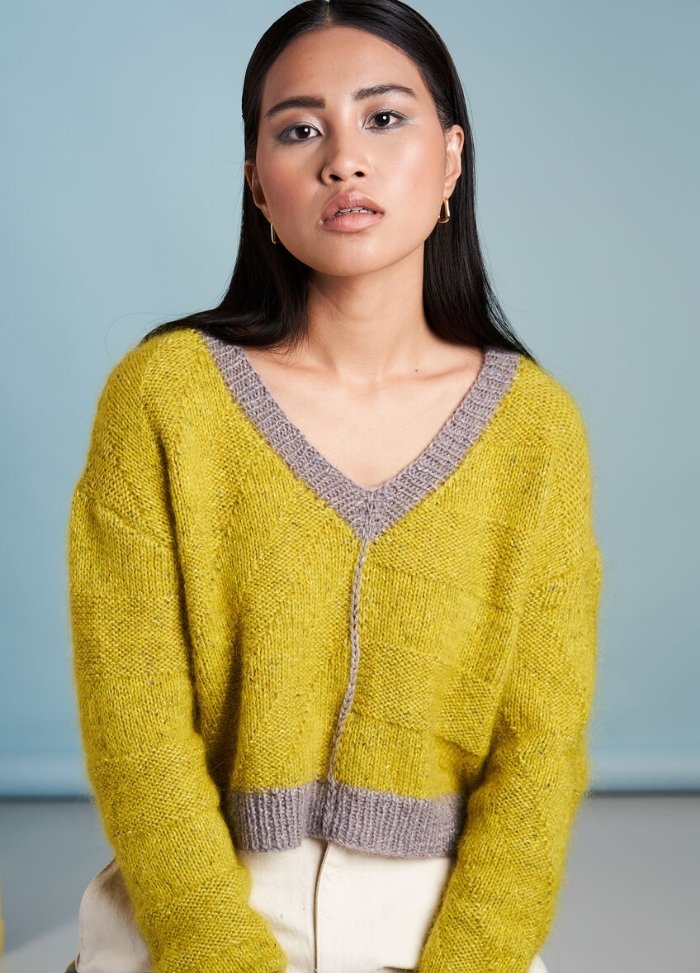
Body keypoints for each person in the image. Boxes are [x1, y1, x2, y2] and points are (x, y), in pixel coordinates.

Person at [64, 1, 603, 972]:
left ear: (451, 159)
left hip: (440, 930)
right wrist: (216, 951)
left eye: (384, 118)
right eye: (299, 130)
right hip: (192, 922)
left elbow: (541, 751)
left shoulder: (535, 430)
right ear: (256, 183)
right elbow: (135, 730)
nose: (343, 160)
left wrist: (474, 958)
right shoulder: (163, 399)